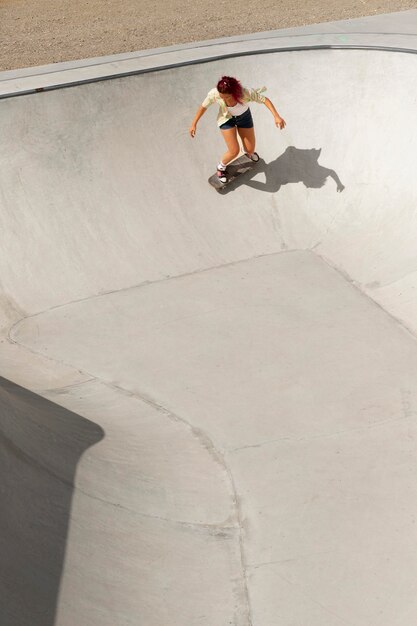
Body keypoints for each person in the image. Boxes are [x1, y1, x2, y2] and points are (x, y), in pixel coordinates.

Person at [189, 75, 286, 183]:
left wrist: (276, 116)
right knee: (234, 151)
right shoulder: (214, 94)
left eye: (227, 97)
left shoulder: (245, 93)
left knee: (250, 150)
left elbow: (264, 100)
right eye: (222, 97)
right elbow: (203, 107)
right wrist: (194, 124)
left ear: (234, 93)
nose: (224, 100)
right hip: (226, 119)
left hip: (244, 118)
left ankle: (249, 152)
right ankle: (220, 167)